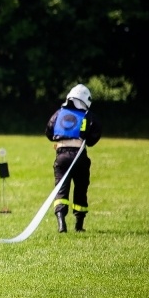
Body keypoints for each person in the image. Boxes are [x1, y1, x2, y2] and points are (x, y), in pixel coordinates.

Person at [45, 83, 102, 232]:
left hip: (61, 156)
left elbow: (49, 132)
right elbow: (93, 137)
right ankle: (79, 225)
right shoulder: (88, 116)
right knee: (81, 188)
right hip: (79, 157)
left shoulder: (59, 113)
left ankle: (61, 223)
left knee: (61, 189)